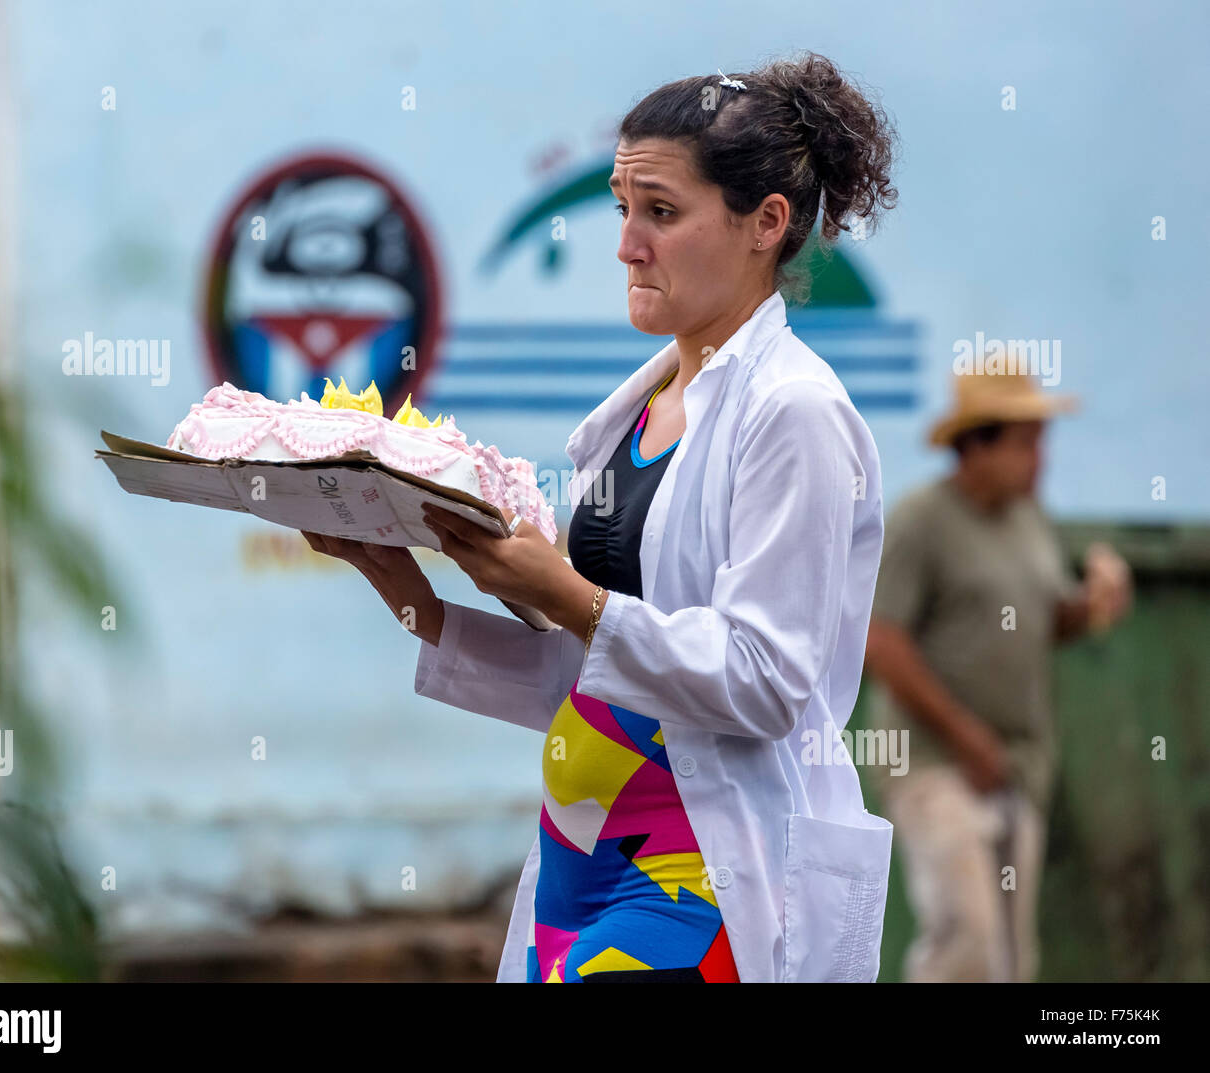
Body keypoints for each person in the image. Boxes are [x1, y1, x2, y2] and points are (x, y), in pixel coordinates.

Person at [304, 51, 900, 982]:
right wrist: (411, 592)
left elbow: (765, 680)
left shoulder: (795, 412)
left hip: (700, 869)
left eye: (661, 211)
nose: (627, 243)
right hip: (579, 861)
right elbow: (598, 675)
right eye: (622, 208)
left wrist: (570, 593)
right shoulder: (642, 406)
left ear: (766, 224)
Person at [863, 365, 1133, 982]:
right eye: (1026, 441)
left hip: (1018, 766)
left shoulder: (1029, 519)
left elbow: (1045, 620)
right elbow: (881, 641)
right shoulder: (922, 518)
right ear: (976, 445)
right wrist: (966, 739)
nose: (1041, 459)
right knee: (968, 943)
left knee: (1012, 962)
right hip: (934, 765)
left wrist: (1094, 605)